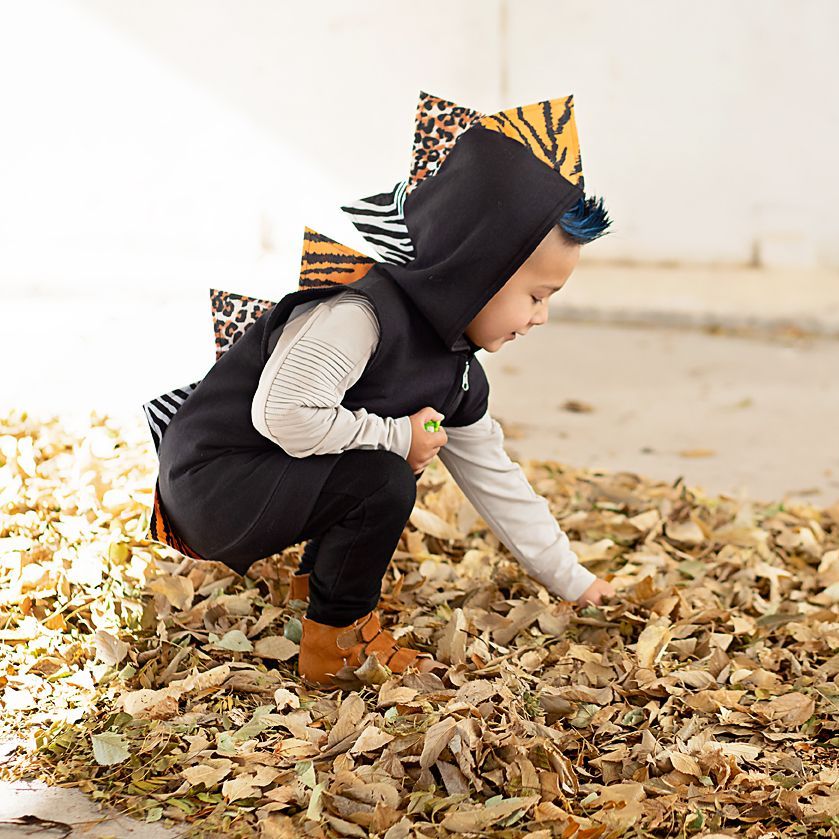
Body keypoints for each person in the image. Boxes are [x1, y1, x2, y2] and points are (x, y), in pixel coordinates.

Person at [156, 93, 616, 687]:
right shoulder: (361, 314)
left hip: (271, 477)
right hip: (212, 485)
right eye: (537, 295)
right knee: (385, 474)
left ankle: (317, 583)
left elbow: (496, 480)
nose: (541, 317)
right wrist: (396, 435)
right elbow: (282, 412)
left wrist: (574, 581)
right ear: (478, 269)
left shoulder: (457, 371)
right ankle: (335, 645)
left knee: (396, 457)